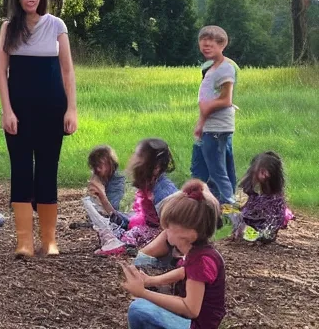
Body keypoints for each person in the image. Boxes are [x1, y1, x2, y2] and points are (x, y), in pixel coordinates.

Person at [0, 0, 77, 257]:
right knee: (20, 172)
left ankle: (49, 240)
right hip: (18, 112)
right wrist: (7, 111)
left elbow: (68, 71)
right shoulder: (9, 28)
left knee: (47, 172)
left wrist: (71, 109)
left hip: (52, 110)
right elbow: (1, 73)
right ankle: (24, 242)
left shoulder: (56, 25)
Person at [122, 179, 226, 329]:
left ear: (188, 233)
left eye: (168, 228)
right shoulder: (198, 251)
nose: (165, 231)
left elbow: (191, 309)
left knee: (138, 309)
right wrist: (151, 280)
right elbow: (184, 272)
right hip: (192, 321)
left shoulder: (202, 260)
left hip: (197, 325)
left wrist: (143, 293)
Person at [86, 138, 178, 256]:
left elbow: (174, 230)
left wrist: (145, 253)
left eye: (139, 158)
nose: (133, 161)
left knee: (128, 233)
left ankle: (124, 247)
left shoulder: (163, 193)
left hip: (161, 237)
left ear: (156, 167)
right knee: (114, 225)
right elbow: (128, 220)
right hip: (147, 228)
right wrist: (103, 198)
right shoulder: (149, 186)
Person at [191, 26, 238, 207]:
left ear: (222, 45)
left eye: (210, 45)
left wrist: (206, 108)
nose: (206, 48)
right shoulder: (211, 69)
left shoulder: (225, 69)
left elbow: (226, 99)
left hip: (218, 128)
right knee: (203, 169)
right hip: (210, 127)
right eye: (203, 45)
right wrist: (201, 121)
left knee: (218, 172)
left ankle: (231, 213)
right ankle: (205, 207)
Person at [231, 151, 293, 243]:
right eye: (262, 172)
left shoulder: (275, 195)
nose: (265, 176)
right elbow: (237, 202)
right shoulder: (247, 183)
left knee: (265, 236)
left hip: (266, 223)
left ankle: (260, 235)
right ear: (255, 169)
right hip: (250, 219)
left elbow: (276, 215)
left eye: (267, 173)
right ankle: (247, 232)